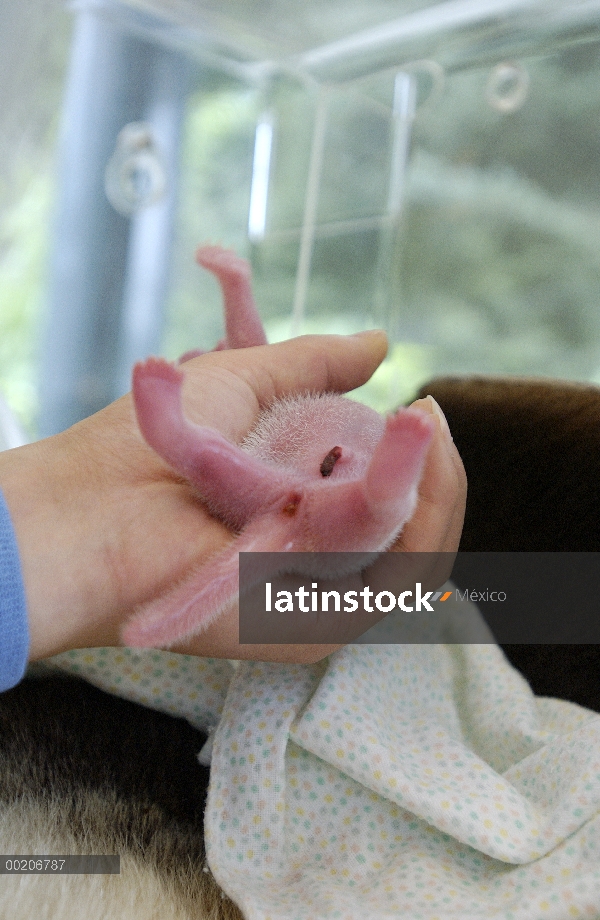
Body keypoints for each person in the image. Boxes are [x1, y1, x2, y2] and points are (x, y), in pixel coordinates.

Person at [0, 330, 466, 691]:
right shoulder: (283, 512)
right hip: (295, 518)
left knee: (241, 480)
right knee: (223, 469)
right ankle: (175, 432)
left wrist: (154, 617)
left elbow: (218, 580)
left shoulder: (288, 522)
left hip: (303, 527)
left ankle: (175, 433)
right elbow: (218, 578)